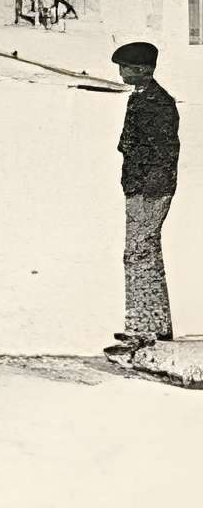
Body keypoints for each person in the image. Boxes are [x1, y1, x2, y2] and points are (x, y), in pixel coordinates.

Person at [112, 40, 178, 357]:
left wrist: (146, 190)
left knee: (140, 254)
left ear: (141, 70)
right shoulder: (141, 98)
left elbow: (162, 152)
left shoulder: (157, 103)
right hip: (140, 185)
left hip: (150, 189)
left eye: (125, 68)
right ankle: (152, 325)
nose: (121, 73)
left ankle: (145, 330)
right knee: (141, 254)